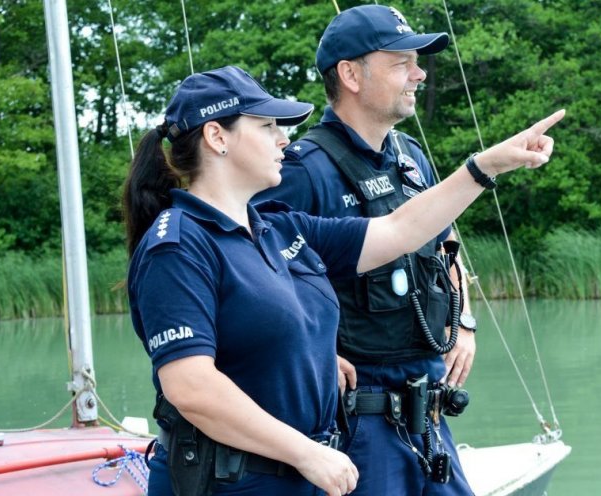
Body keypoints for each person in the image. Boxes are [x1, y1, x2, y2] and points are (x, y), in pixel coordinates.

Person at [124, 64, 563, 496]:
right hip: (234, 481)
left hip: (301, 476)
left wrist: (487, 166)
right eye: (267, 126)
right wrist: (306, 453)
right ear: (217, 136)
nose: (284, 138)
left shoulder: (278, 229)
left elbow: (399, 230)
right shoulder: (178, 246)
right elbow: (190, 387)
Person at [253, 5, 491, 494]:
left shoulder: (411, 156)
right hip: (358, 427)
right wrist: (316, 356)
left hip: (430, 419)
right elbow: (254, 285)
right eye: (402, 62)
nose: (419, 74)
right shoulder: (301, 171)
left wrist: (463, 321)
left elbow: (446, 242)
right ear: (350, 74)